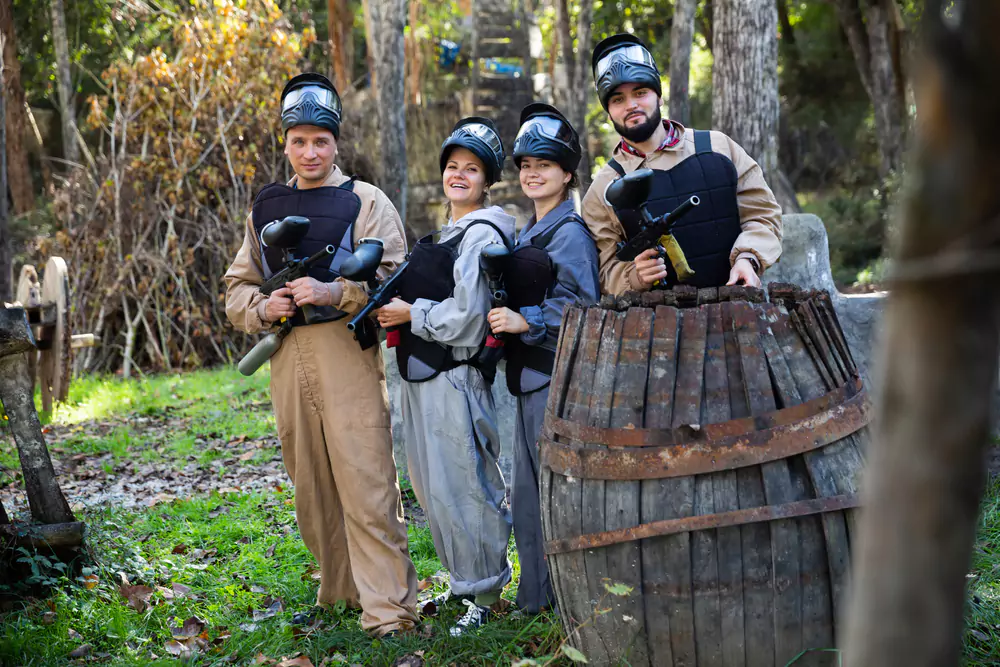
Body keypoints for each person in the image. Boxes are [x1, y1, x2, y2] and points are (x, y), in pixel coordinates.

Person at [224, 73, 418, 637]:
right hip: (287, 359)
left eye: (321, 141)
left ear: (336, 142)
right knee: (310, 487)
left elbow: (396, 274)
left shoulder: (366, 200)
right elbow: (236, 287)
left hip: (346, 353)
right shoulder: (266, 208)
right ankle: (340, 593)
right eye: (299, 141)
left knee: (367, 482)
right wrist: (265, 305)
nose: (310, 152)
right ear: (285, 142)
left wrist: (336, 291)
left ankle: (389, 612)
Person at [374, 117, 516, 636]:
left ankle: (487, 594)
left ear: (487, 179)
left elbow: (470, 319)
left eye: (471, 169)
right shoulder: (450, 233)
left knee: (467, 486)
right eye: (453, 166)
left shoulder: (481, 234)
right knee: (434, 487)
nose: (458, 175)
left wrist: (411, 314)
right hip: (426, 377)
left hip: (456, 376)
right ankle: (466, 583)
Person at [487, 103, 600, 613]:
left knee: (553, 494)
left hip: (555, 379)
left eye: (545, 166)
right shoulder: (529, 229)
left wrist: (525, 319)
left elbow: (582, 304)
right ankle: (537, 598)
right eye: (526, 166)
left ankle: (565, 600)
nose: (533, 174)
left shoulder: (570, 231)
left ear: (567, 174)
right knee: (530, 494)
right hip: (528, 377)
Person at [582, 34, 782, 294]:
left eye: (640, 93)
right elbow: (603, 271)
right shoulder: (603, 190)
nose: (631, 105)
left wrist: (748, 258)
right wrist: (635, 276)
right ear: (609, 112)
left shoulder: (718, 147)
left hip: (736, 304)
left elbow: (763, 216)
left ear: (659, 97)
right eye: (618, 99)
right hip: (654, 318)